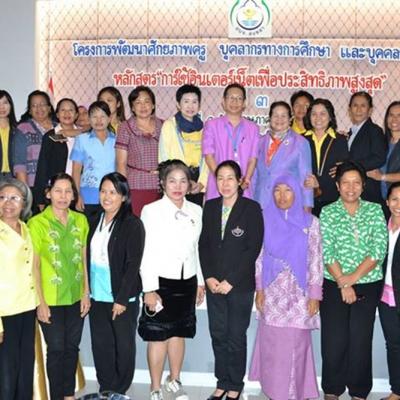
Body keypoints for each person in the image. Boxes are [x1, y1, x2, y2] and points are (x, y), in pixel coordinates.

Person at [249, 174, 323, 400]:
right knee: (273, 345)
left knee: (297, 344)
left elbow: (316, 259)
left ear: (297, 193)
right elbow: (258, 257)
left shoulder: (311, 223)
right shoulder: (263, 219)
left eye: (288, 190)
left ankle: (296, 392)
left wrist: (315, 294)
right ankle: (275, 392)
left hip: (300, 294)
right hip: (272, 293)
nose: (282, 196)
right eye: (277, 190)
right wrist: (259, 290)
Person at [319, 161, 388, 400]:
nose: (351, 188)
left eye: (356, 183)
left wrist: (352, 280)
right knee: (333, 339)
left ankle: (359, 391)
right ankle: (332, 389)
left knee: (360, 339)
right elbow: (327, 251)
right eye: (345, 183)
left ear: (363, 185)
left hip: (367, 283)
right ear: (338, 186)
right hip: (333, 283)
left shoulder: (375, 210)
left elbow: (378, 250)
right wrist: (343, 281)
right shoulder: (328, 212)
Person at [138, 160, 205, 400]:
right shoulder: (151, 210)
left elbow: (197, 248)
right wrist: (149, 289)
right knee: (158, 335)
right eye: (172, 181)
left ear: (189, 184)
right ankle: (155, 387)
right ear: (162, 184)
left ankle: (174, 380)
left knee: (178, 332)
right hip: (160, 282)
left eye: (183, 181)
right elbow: (145, 252)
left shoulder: (196, 210)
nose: (178, 186)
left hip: (187, 281)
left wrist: (200, 281)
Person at [199, 160, 263, 400]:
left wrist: (231, 281)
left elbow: (252, 248)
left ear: (239, 181)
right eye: (220, 178)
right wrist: (209, 276)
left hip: (239, 286)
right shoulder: (210, 207)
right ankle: (222, 382)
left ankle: (235, 384)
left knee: (236, 336)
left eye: (230, 178)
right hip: (214, 284)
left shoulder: (251, 208)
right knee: (218, 334)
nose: (225, 183)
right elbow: (204, 245)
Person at [28, 173, 90, 400]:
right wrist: (40, 302)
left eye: (68, 191)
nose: (63, 196)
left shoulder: (80, 221)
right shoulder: (36, 223)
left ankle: (68, 395)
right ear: (48, 194)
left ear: (74, 195)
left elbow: (83, 260)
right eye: (58, 191)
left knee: (72, 347)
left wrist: (86, 292)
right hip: (50, 298)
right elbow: (34, 266)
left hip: (75, 295)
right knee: (55, 350)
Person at [87, 172, 145, 397]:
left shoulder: (133, 224)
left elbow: (133, 265)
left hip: (122, 297)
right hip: (96, 294)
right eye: (103, 191)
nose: (107, 196)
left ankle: (119, 390)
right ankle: (106, 388)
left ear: (123, 196)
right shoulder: (93, 219)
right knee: (101, 345)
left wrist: (121, 299)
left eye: (113, 192)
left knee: (123, 345)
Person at [0, 178, 37, 399]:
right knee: (6, 374)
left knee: (25, 370)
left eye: (14, 198)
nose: (8, 203)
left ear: (24, 203)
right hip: (5, 312)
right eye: (2, 197)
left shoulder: (26, 229)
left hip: (27, 308)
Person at [202, 83, 259, 200]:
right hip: (218, 187)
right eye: (231, 98)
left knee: (244, 211)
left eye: (239, 98)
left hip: (244, 187)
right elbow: (209, 157)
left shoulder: (253, 128)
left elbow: (253, 159)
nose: (235, 102)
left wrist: (245, 181)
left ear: (244, 103)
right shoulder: (211, 125)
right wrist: (222, 179)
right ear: (223, 101)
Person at [253, 101, 313, 210]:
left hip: (287, 205)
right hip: (260, 204)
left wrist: (307, 207)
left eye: (283, 116)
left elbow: (306, 179)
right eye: (275, 115)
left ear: (290, 119)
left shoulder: (300, 143)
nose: (279, 119)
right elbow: (254, 176)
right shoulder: (259, 142)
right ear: (269, 118)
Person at [116, 86, 162, 216]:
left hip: (161, 186)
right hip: (135, 186)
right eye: (138, 102)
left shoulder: (164, 125)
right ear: (132, 107)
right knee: (136, 223)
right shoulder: (125, 127)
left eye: (147, 101)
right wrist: (123, 191)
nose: (143, 106)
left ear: (153, 105)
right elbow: (121, 163)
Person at [159, 84, 208, 206]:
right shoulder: (169, 125)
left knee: (194, 215)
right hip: (176, 180)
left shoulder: (204, 128)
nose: (190, 106)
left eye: (194, 102)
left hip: (197, 182)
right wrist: (182, 180)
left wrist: (201, 183)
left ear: (199, 105)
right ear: (178, 104)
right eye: (186, 101)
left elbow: (208, 159)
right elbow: (163, 157)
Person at [303, 99, 349, 216]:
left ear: (330, 117)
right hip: (306, 199)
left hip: (332, 198)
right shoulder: (301, 139)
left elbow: (340, 171)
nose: (318, 118)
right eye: (314, 114)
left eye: (323, 113)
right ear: (309, 117)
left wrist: (319, 183)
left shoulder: (340, 140)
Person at [71, 101, 116, 216]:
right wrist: (77, 195)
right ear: (89, 119)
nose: (98, 120)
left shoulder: (117, 140)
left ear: (109, 118)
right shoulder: (81, 139)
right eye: (94, 117)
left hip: (112, 194)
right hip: (88, 196)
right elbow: (76, 171)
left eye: (102, 116)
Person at [13, 90, 56, 210]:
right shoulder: (23, 129)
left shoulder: (59, 128)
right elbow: (20, 165)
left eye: (42, 104)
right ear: (30, 110)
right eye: (34, 105)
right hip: (33, 186)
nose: (39, 108)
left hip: (58, 187)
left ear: (49, 108)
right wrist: (26, 194)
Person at [35, 98, 80, 208]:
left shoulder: (84, 137)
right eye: (63, 110)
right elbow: (42, 166)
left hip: (78, 190)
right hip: (57, 190)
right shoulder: (50, 136)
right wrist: (40, 198)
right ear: (57, 114)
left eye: (71, 110)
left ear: (76, 115)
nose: (67, 113)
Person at [379, 182, 400, 400]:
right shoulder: (381, 225)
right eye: (395, 199)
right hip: (385, 296)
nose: (399, 204)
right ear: (387, 202)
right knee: (393, 345)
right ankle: (397, 390)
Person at [347, 91, 387, 204]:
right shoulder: (351, 133)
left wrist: (349, 166)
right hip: (351, 190)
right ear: (349, 109)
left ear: (370, 110)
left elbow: (379, 158)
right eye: (355, 105)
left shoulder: (374, 130)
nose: (358, 109)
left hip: (368, 190)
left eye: (363, 106)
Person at [367, 101, 400, 204]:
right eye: (391, 115)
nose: (394, 119)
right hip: (382, 200)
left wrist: (382, 177)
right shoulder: (382, 141)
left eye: (399, 115)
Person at [0, 90, 18, 181]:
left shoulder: (18, 129)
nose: (2, 107)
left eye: (5, 103)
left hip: (13, 175)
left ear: (11, 105)